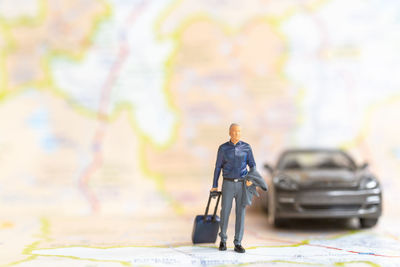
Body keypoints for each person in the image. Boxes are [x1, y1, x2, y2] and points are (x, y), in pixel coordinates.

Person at [210, 123, 255, 253]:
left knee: (241, 212)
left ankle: (238, 242)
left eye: (239, 132)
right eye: (234, 131)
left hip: (242, 184)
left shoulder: (246, 148)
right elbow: (218, 167)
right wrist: (214, 185)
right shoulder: (223, 148)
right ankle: (223, 240)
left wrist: (251, 178)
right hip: (228, 183)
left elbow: (252, 165)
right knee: (225, 211)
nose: (236, 134)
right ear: (229, 132)